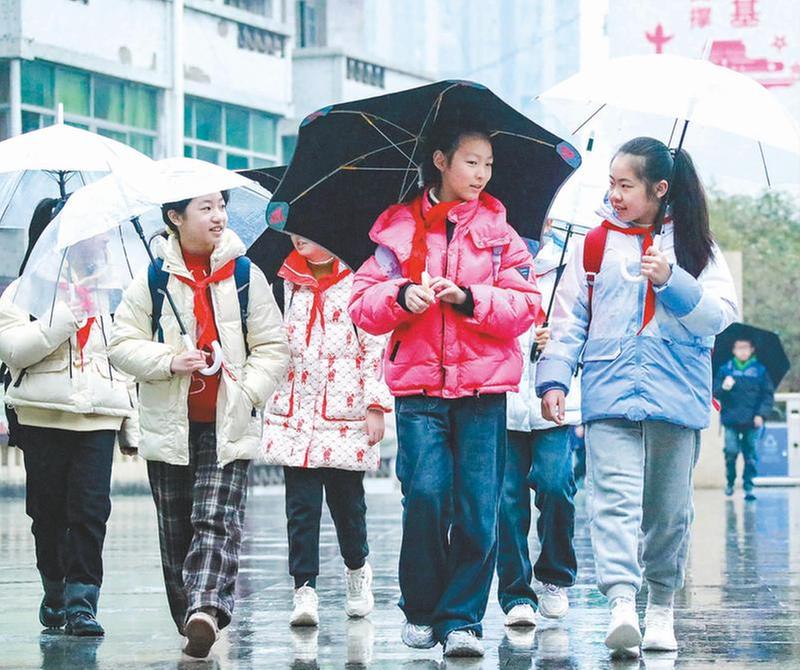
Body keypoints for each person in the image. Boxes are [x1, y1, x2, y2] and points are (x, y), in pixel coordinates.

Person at [536, 137, 738, 657]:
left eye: (626, 185)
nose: (616, 194)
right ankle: (622, 604)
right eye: (612, 183)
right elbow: (567, 321)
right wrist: (555, 379)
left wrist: (673, 281)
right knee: (613, 504)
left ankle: (662, 608)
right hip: (609, 393)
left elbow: (719, 316)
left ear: (660, 188)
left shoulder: (696, 247)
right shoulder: (595, 244)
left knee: (668, 512)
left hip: (677, 396)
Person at [348, 121, 542, 658]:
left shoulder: (502, 233)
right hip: (419, 392)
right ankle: (422, 608)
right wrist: (403, 294)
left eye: (487, 165)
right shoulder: (396, 230)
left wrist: (469, 297)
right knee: (427, 497)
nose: (480, 174)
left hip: (483, 392)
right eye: (470, 162)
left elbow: (526, 306)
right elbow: (362, 302)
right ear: (440, 160)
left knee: (480, 508)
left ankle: (462, 621)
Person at [108, 191, 289, 659]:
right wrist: (170, 359)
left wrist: (246, 392)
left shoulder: (246, 274)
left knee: (216, 518)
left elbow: (273, 347)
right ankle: (190, 617)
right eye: (205, 208)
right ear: (175, 217)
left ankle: (206, 610)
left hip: (225, 424)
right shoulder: (152, 279)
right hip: (170, 426)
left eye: (220, 207)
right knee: (176, 532)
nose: (218, 216)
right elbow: (121, 344)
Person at [0, 197, 138, 637]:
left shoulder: (116, 292)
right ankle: (56, 594)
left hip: (98, 415)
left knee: (91, 510)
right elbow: (13, 350)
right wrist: (66, 314)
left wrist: (131, 423)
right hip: (43, 414)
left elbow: (123, 359)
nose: (99, 239)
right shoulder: (22, 292)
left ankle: (82, 603)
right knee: (47, 515)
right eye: (89, 230)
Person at [262, 234, 392, 627]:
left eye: (310, 229)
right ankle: (305, 589)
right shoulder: (281, 282)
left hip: (343, 414)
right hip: (294, 415)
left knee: (347, 506)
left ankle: (357, 569)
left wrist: (375, 405)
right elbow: (267, 343)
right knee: (300, 509)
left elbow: (375, 348)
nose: (299, 237)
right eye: (295, 229)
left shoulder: (357, 281)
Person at [497, 221, 581, 628]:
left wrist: (558, 339)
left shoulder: (568, 264)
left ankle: (555, 576)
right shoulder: (491, 260)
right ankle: (515, 593)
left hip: (554, 400)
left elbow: (582, 323)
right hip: (502, 398)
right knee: (507, 501)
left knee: (556, 485)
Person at [713, 338, 774, 500]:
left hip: (752, 420)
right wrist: (723, 387)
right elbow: (715, 392)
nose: (742, 351)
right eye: (739, 348)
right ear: (733, 350)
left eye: (746, 347)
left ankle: (748, 486)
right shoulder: (726, 369)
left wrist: (761, 414)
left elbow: (767, 395)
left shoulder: (760, 370)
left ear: (752, 349)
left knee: (750, 455)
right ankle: (730, 482)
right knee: (731, 451)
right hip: (730, 419)